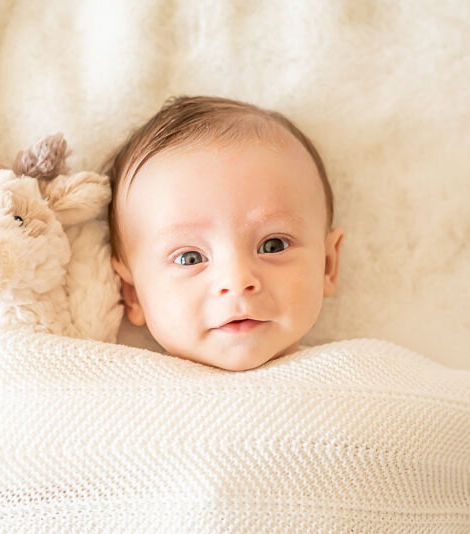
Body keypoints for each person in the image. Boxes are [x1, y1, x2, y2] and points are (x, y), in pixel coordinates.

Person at [105, 96, 344, 371]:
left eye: (273, 245)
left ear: (327, 265)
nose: (238, 280)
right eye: (190, 258)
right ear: (132, 292)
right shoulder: (118, 390)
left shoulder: (363, 373)